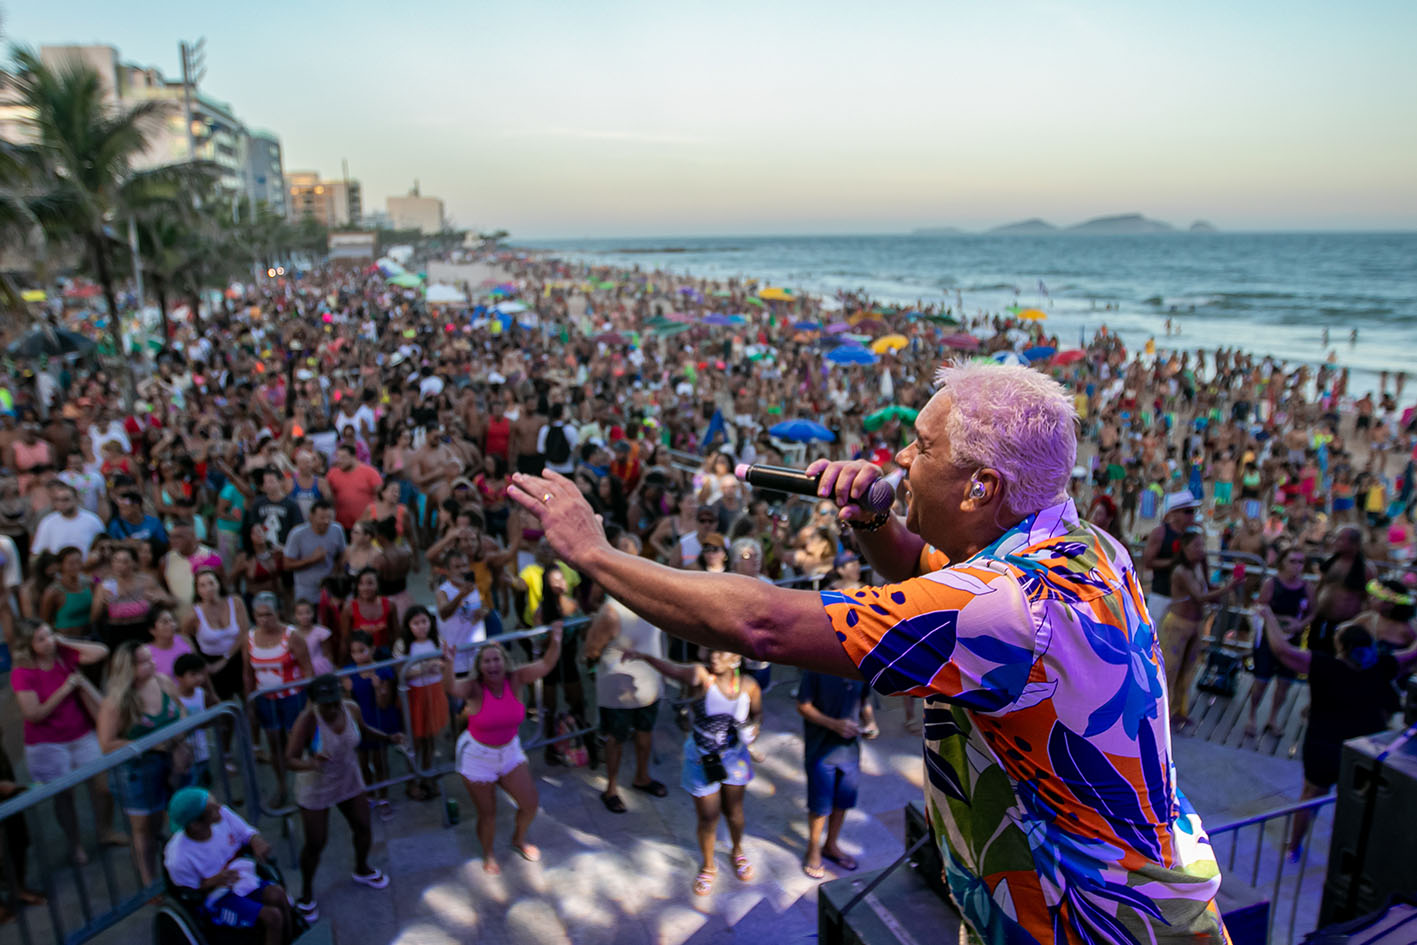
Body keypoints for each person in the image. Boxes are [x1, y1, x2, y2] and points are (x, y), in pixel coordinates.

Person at [509, 362, 1232, 942]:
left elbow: (762, 624)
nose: (898, 462)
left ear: (982, 486)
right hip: (1079, 903)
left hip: (1090, 925)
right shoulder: (1082, 546)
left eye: (920, 447)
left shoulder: (1013, 607)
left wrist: (594, 553)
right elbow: (930, 583)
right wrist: (874, 520)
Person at [1257, 608, 1417, 858]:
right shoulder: (1383, 667)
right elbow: (1413, 654)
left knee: (1310, 797)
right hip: (1363, 751)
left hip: (1324, 746)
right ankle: (1352, 855)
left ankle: (1293, 848)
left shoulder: (1323, 665)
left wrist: (1268, 617)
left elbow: (1282, 651)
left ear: (1341, 647)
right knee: (1358, 805)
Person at [622, 646, 762, 896]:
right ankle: (709, 865)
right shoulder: (701, 676)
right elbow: (673, 670)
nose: (715, 656)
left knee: (735, 811)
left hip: (734, 757)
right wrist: (645, 656)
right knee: (708, 817)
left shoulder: (750, 685)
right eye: (712, 651)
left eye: (722, 652)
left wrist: (753, 730)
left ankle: (737, 851)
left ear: (737, 658)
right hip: (701, 758)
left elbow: (758, 715)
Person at [442, 627, 562, 874]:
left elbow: (547, 664)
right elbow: (451, 687)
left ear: (504, 662)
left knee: (530, 804)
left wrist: (556, 639)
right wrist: (448, 663)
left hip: (509, 752)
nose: (492, 665)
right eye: (486, 661)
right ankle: (488, 853)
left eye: (496, 659)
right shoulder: (474, 688)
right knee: (488, 814)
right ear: (480, 666)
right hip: (477, 757)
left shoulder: (516, 679)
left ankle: (518, 840)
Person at [284, 674, 397, 922]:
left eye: (336, 701)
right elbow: (289, 759)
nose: (333, 708)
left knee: (364, 827)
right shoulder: (307, 721)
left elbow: (364, 731)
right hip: (316, 786)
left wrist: (389, 738)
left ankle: (362, 868)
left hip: (349, 778)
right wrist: (310, 763)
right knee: (316, 843)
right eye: (326, 704)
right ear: (314, 702)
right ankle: (306, 894)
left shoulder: (351, 709)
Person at [9, 620, 122, 863]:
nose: (48, 642)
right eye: (41, 639)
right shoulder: (23, 673)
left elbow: (101, 651)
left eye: (49, 635)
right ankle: (75, 844)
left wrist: (64, 641)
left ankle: (105, 830)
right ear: (28, 645)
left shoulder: (62, 654)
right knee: (65, 796)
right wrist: (65, 688)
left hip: (81, 733)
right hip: (48, 743)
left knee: (103, 787)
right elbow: (33, 714)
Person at [582, 536, 668, 814]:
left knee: (645, 735)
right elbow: (591, 649)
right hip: (616, 689)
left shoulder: (655, 600)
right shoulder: (610, 612)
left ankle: (642, 777)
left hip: (649, 684)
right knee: (615, 739)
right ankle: (611, 788)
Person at [96, 641, 189, 887]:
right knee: (144, 829)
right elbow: (107, 744)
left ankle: (178, 870)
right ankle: (149, 881)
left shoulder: (162, 682)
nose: (153, 664)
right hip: (137, 771)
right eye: (145, 661)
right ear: (128, 668)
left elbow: (181, 709)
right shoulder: (115, 702)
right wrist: (150, 744)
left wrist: (179, 740)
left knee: (175, 818)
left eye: (151, 658)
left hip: (172, 763)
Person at [163, 788, 292, 945]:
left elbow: (246, 833)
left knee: (278, 894)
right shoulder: (178, 857)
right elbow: (188, 893)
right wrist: (213, 881)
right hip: (218, 899)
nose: (220, 807)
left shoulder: (223, 815)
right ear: (196, 824)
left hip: (242, 880)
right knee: (272, 917)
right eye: (212, 808)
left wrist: (256, 841)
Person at [1158, 527, 1240, 728]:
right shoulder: (1181, 570)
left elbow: (1205, 590)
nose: (1201, 549)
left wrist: (1225, 587)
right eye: (1196, 545)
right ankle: (1162, 715)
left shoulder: (1198, 567)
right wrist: (1227, 588)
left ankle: (1179, 710)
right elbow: (1199, 596)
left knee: (1188, 670)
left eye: (1202, 545)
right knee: (1170, 671)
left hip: (1195, 625)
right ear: (1184, 547)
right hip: (1176, 625)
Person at [797, 669, 873, 879]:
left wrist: (870, 722)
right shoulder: (815, 669)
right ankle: (813, 849)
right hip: (821, 751)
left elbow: (865, 699)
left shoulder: (860, 667)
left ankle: (831, 845)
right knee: (820, 806)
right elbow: (803, 706)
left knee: (842, 802)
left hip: (849, 752)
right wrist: (834, 724)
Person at [244, 591, 314, 809]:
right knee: (275, 744)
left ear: (278, 613)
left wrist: (310, 704)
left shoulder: (292, 637)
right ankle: (283, 786)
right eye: (259, 615)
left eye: (268, 615)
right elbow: (247, 673)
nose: (264, 620)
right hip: (266, 699)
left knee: (300, 741)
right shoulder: (250, 638)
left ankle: (311, 785)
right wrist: (250, 701)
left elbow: (307, 670)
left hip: (293, 698)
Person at [1246, 547, 1312, 739]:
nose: (1297, 566)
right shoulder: (1271, 583)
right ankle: (1252, 716)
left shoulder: (1307, 587)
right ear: (1283, 562)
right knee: (1261, 680)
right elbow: (1260, 606)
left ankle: (1273, 718)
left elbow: (1313, 611)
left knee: (1284, 682)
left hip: (1292, 638)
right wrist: (1274, 621)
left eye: (1300, 562)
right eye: (1293, 561)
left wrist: (1300, 624)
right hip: (1268, 638)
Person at [343, 629, 400, 821]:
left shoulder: (383, 670)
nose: (358, 656)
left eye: (362, 650)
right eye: (354, 652)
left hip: (379, 721)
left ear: (372, 649)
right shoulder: (349, 673)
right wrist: (348, 691)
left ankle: (383, 797)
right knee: (362, 762)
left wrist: (378, 689)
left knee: (380, 760)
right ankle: (368, 796)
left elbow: (384, 703)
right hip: (359, 723)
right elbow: (348, 705)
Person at [393, 605, 446, 801]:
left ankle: (427, 774)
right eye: (416, 623)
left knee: (431, 737)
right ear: (408, 626)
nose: (421, 626)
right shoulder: (402, 645)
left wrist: (441, 665)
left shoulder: (436, 640)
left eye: (424, 621)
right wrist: (426, 668)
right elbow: (401, 672)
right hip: (414, 695)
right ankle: (411, 780)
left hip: (435, 692)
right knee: (415, 740)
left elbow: (444, 663)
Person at [90, 544, 172, 651]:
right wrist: (101, 603)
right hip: (115, 633)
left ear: (134, 563)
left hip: (142, 631)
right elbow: (93, 618)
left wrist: (158, 599)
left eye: (125, 561)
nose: (120, 565)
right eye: (116, 561)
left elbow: (171, 602)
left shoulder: (146, 581)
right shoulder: (105, 586)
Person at [1310, 525, 1373, 656]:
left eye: (1340, 539)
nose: (1334, 542)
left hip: (1343, 625)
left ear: (1354, 544)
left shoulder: (1366, 570)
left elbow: (1369, 600)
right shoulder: (1331, 561)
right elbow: (1320, 586)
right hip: (1320, 620)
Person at [188, 569, 249, 702]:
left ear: (218, 584)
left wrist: (226, 659)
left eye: (211, 583)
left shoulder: (236, 602)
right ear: (197, 590)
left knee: (249, 697)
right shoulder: (193, 614)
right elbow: (187, 639)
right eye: (202, 585)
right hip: (212, 663)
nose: (208, 588)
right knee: (224, 703)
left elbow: (244, 632)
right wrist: (202, 664)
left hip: (238, 656)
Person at [1141, 489, 1200, 624]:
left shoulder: (1191, 536)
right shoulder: (1160, 533)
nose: (1192, 516)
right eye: (1188, 512)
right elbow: (1148, 562)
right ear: (1176, 513)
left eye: (1193, 511)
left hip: (1182, 599)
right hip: (1162, 595)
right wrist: (1175, 562)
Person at [283, 500, 346, 613]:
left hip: (329, 589)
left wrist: (336, 573)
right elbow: (287, 565)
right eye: (322, 518)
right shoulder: (297, 534)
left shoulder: (337, 530)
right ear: (311, 517)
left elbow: (342, 554)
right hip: (305, 590)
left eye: (330, 518)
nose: (326, 521)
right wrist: (312, 559)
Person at [30, 480, 104, 556]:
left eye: (66, 499)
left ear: (76, 499)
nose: (61, 504)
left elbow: (102, 546)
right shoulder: (47, 522)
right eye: (57, 500)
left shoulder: (93, 521)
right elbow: (38, 551)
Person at [326, 443, 382, 533]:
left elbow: (381, 496)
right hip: (341, 525)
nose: (339, 461)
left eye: (343, 457)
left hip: (365, 526)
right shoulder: (332, 473)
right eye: (338, 457)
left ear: (354, 457)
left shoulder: (370, 472)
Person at [340, 567, 397, 656]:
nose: (365, 588)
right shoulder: (349, 608)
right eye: (361, 584)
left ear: (378, 584)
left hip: (384, 656)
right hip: (360, 658)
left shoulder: (390, 605)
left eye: (370, 583)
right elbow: (345, 639)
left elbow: (395, 634)